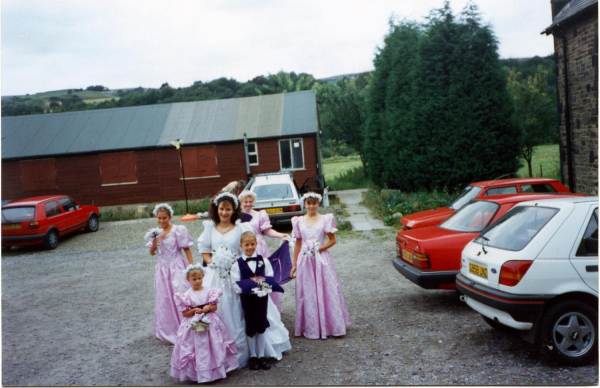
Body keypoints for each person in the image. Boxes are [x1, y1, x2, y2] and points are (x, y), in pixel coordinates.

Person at [198, 192, 291, 368]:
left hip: (239, 273)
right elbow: (205, 250)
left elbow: (246, 251)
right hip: (217, 273)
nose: (224, 212)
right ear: (216, 209)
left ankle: (258, 353)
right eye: (221, 209)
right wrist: (215, 264)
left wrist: (240, 270)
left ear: (233, 210)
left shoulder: (241, 227)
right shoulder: (210, 226)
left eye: (228, 209)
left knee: (249, 310)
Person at [291, 192, 351, 339]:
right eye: (308, 203)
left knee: (326, 289)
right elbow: (298, 242)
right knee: (308, 292)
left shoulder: (325, 219)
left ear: (318, 203)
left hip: (321, 259)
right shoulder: (298, 221)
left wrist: (318, 249)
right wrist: (294, 264)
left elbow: (332, 240)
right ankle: (311, 327)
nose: (311, 206)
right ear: (304, 204)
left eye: (314, 203)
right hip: (305, 260)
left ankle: (331, 326)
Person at [170, 264, 239, 383]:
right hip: (194, 324)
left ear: (203, 277)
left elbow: (214, 306)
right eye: (194, 279)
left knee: (213, 344)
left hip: (210, 322)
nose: (197, 281)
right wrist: (194, 310)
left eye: (199, 278)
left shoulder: (209, 291)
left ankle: (215, 370)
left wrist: (208, 307)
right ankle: (198, 374)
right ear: (188, 280)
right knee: (196, 348)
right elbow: (185, 313)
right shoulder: (186, 295)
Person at [231, 231, 286, 371]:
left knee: (261, 325)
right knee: (250, 327)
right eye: (247, 244)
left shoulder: (264, 261)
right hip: (247, 299)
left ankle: (262, 356)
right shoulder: (237, 264)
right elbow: (235, 282)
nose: (250, 247)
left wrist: (263, 290)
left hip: (261, 298)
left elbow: (269, 276)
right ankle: (253, 357)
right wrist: (244, 290)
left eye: (252, 244)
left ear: (256, 244)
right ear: (241, 245)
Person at [146, 203, 194, 345]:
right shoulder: (155, 233)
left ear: (170, 217)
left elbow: (186, 248)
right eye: (159, 218)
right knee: (164, 298)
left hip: (176, 266)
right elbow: (151, 253)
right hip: (162, 269)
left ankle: (187, 327)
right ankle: (169, 329)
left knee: (180, 293)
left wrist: (191, 265)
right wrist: (154, 243)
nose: (161, 221)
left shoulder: (178, 230)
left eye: (164, 218)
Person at [238, 190, 288, 312]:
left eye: (250, 202)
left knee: (262, 276)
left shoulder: (260, 214)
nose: (248, 204)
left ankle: (268, 308)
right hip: (243, 248)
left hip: (259, 248)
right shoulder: (236, 216)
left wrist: (280, 235)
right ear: (240, 202)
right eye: (246, 202)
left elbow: (267, 231)